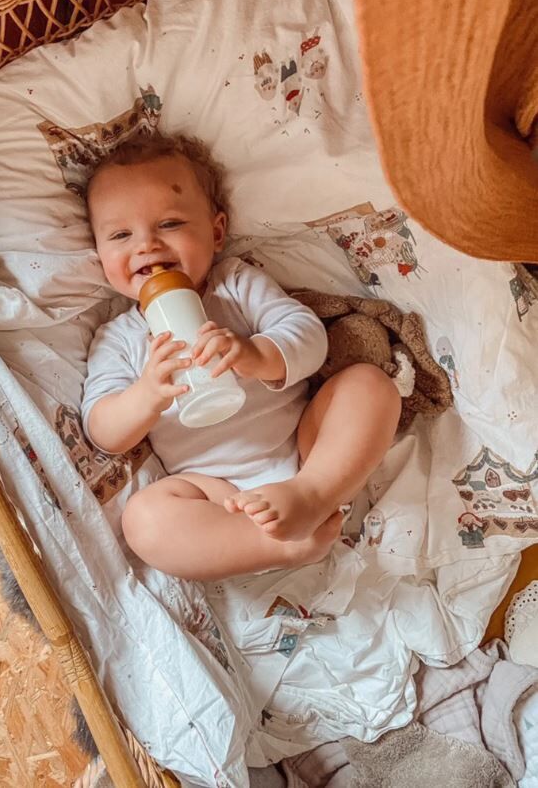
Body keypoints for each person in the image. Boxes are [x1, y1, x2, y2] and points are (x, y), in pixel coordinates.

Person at [81, 133, 401, 581]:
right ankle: (281, 545)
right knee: (144, 519)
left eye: (169, 224)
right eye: (120, 235)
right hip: (214, 491)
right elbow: (102, 430)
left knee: (368, 384)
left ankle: (312, 496)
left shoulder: (235, 284)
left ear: (216, 233)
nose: (146, 245)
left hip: (305, 449)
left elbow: (309, 337)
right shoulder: (119, 338)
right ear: (99, 254)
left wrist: (256, 354)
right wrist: (147, 394)